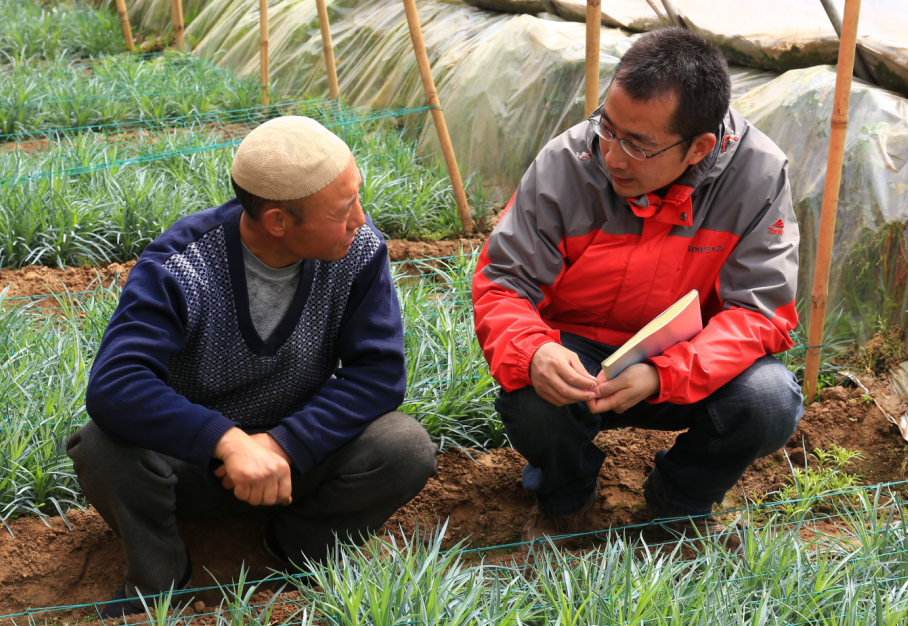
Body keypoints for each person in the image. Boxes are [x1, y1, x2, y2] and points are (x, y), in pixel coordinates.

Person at [67, 116, 438, 616]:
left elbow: (379, 373)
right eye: (344, 209)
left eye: (357, 199)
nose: (361, 220)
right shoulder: (181, 264)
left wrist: (284, 443)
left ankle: (296, 551)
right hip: (195, 466)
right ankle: (159, 577)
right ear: (279, 221)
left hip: (296, 463)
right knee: (100, 446)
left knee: (404, 446)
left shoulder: (359, 250)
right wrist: (227, 440)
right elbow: (116, 383)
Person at [472, 28, 803, 551]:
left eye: (638, 144)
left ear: (700, 148)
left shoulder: (757, 177)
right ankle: (565, 499)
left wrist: (666, 372)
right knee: (532, 396)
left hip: (686, 357)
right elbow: (503, 282)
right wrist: (535, 351)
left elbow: (761, 311)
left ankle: (680, 501)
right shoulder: (567, 164)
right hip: (577, 353)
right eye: (608, 127)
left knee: (768, 401)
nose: (613, 157)